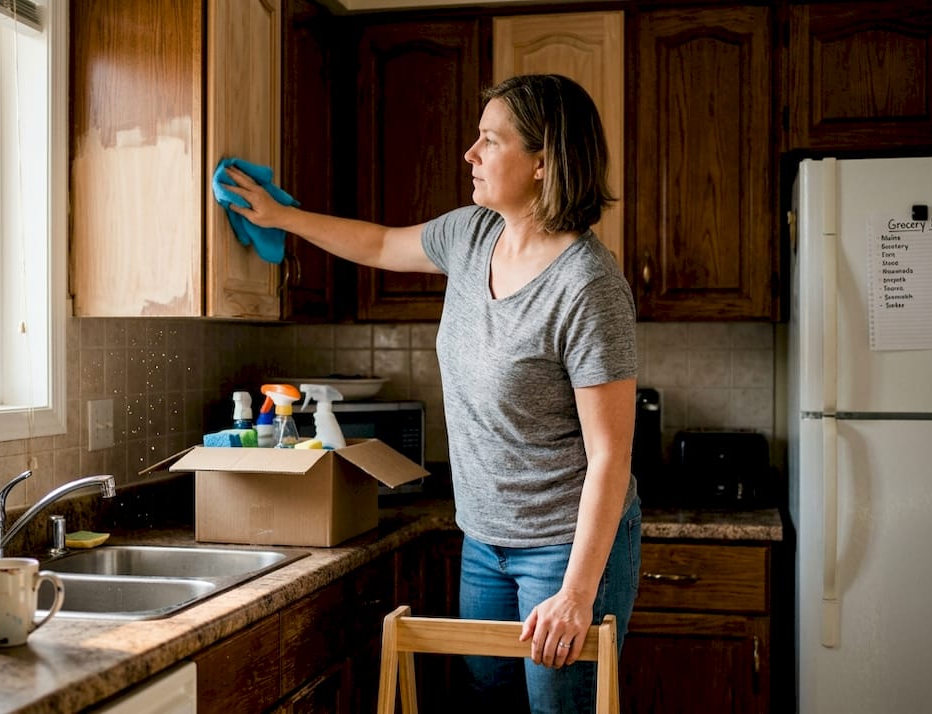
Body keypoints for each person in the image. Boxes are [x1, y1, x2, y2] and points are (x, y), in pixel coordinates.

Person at [223, 73, 640, 714]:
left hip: (564, 545)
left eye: (489, 141)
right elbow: (382, 243)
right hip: (483, 536)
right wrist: (283, 216)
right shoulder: (473, 235)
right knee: (484, 697)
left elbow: (610, 455)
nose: (470, 155)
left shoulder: (588, 287)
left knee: (561, 706)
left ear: (542, 161)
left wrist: (577, 593)